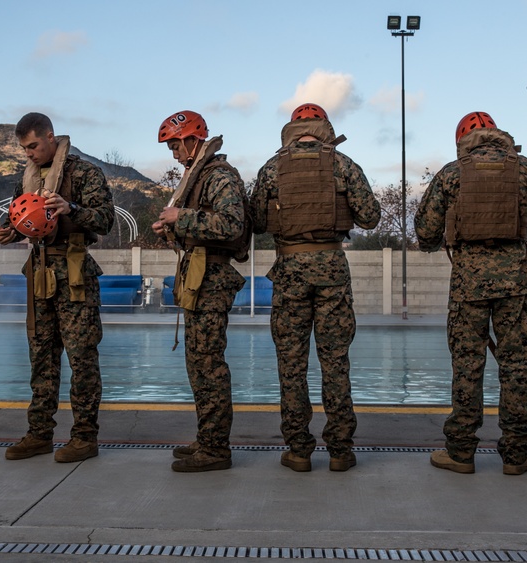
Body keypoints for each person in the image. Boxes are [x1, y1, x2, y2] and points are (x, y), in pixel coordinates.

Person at [414, 112, 527, 476]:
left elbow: (425, 232)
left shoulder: (451, 173)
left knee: (467, 366)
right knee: (516, 366)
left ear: (462, 140)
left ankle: (461, 452)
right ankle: (516, 454)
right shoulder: (526, 170)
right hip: (517, 282)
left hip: (468, 285)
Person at [251, 103, 380, 472]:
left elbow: (257, 220)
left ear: (290, 129)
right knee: (335, 362)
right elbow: (370, 217)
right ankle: (340, 450)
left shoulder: (272, 167)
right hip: (332, 271)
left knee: (291, 365)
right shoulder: (343, 164)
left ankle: (298, 450)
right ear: (325, 128)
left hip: (290, 269)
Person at [0, 112, 114, 463]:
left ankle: (84, 437)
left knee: (82, 358)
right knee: (41, 358)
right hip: (40, 273)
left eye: (32, 145)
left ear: (50, 136)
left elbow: (105, 218)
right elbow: (20, 220)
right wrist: (7, 233)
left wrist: (70, 208)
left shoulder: (84, 172)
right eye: (23, 148)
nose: (28, 154)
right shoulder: (27, 177)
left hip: (74, 273)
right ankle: (39, 433)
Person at [151, 110, 248, 472]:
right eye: (170, 146)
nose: (174, 152)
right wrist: (172, 232)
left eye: (177, 144)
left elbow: (232, 225)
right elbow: (202, 229)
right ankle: (208, 438)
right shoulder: (199, 176)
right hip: (198, 277)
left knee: (208, 364)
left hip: (213, 280)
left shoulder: (219, 175)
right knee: (198, 363)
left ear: (194, 138)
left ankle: (216, 449)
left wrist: (182, 218)